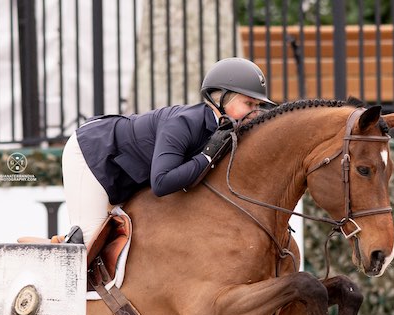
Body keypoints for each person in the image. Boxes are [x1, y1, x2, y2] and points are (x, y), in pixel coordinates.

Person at [61, 57, 275, 258]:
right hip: (93, 153)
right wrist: (207, 155)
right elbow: (162, 183)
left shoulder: (226, 131)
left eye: (257, 106)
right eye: (249, 104)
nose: (255, 112)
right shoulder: (183, 123)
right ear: (222, 98)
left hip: (128, 172)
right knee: (88, 245)